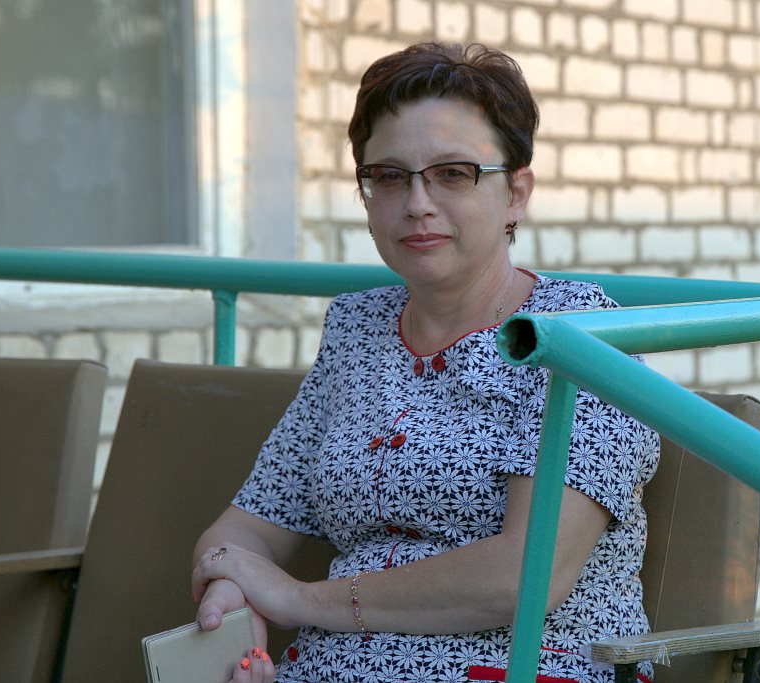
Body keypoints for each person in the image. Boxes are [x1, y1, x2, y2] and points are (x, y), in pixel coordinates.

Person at [192, 41, 659, 683]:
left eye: (453, 173)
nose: (417, 203)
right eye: (389, 176)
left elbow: (527, 574)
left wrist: (297, 600)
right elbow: (247, 527)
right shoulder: (356, 330)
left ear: (516, 193)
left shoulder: (579, 334)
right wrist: (230, 588)